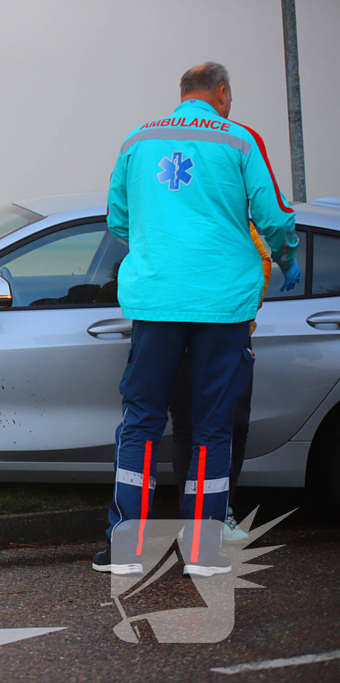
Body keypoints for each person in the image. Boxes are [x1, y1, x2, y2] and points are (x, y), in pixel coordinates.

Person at [93, 62, 300, 577]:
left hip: (156, 301)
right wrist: (287, 255)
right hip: (222, 305)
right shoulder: (238, 139)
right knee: (211, 426)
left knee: (140, 421)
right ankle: (204, 550)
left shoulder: (136, 141)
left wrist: (158, 245)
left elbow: (117, 219)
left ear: (182, 94)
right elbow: (272, 216)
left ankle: (129, 546)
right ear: (222, 93)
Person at [170, 224, 274, 545]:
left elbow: (263, 262)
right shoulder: (174, 214)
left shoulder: (235, 216)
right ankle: (193, 518)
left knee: (234, 428)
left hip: (232, 338)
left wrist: (242, 309)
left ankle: (221, 511)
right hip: (183, 344)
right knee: (190, 431)